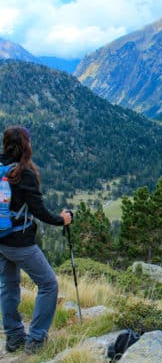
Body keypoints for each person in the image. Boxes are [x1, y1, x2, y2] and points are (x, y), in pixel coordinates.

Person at [0, 126, 72, 354]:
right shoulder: (23, 173)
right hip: (19, 242)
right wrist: (62, 220)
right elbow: (39, 211)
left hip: (0, 241)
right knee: (49, 284)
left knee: (9, 286)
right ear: (25, 146)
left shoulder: (1, 167)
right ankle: (36, 340)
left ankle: (14, 338)